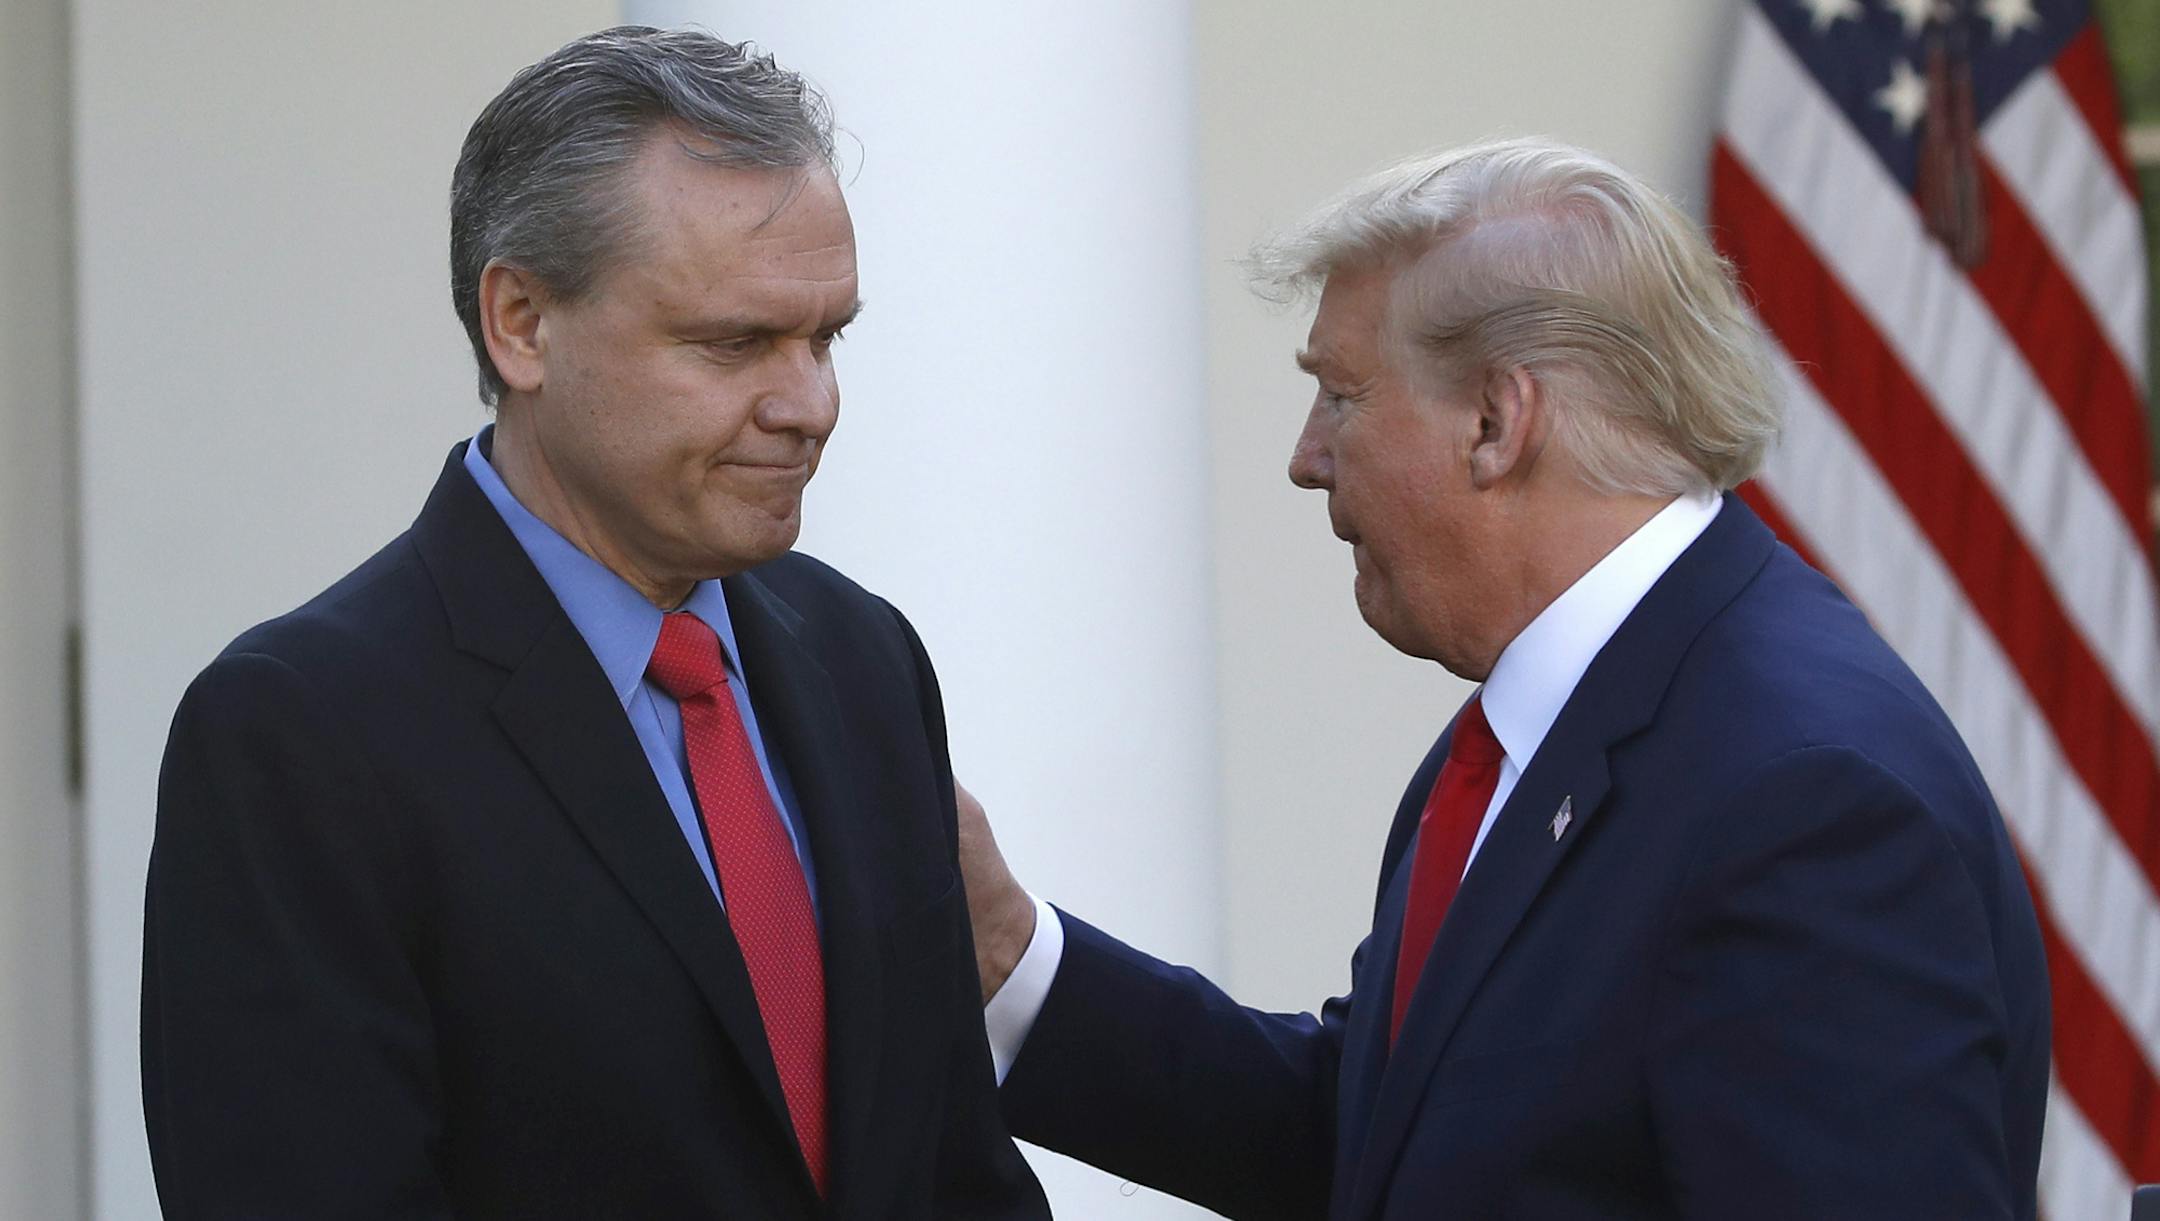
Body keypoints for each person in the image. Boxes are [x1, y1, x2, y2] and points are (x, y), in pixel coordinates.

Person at [960, 138, 2049, 1220]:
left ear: (1496, 421)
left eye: (1341, 395)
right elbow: (1385, 1140)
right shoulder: (1548, 722)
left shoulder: (1800, 796)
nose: (1306, 455)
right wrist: (1009, 954)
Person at [142, 27, 1048, 1220]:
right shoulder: (300, 735)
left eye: (827, 337)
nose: (811, 405)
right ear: (521, 321)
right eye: (734, 343)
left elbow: (954, 1173)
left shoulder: (862, 656)